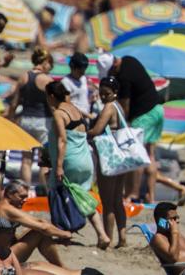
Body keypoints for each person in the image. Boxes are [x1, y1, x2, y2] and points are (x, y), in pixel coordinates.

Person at [45, 81, 111, 249]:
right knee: (82, 196)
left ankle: (64, 235)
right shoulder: (75, 109)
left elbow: (62, 139)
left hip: (70, 161)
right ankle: (102, 235)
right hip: (85, 160)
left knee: (57, 193)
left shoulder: (59, 113)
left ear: (52, 96)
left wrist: (58, 166)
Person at [97, 53, 167, 204]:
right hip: (157, 109)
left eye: (110, 72)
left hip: (144, 115)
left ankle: (132, 194)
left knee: (135, 154)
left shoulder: (123, 76)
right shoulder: (130, 59)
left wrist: (123, 122)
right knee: (149, 155)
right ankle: (151, 196)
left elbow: (125, 106)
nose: (110, 76)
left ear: (115, 65)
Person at [0, 180, 71, 267]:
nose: (25, 200)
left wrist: (59, 231)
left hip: (0, 251)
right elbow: (43, 228)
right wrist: (65, 234)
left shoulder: (4, 206)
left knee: (36, 230)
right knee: (39, 233)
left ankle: (60, 266)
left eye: (26, 197)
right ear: (10, 195)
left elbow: (40, 222)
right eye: (22, 197)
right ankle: (61, 267)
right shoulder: (6, 209)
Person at [87, 76, 127, 248]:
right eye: (101, 93)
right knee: (118, 200)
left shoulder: (109, 108)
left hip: (110, 159)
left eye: (107, 93)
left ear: (115, 93)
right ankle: (123, 238)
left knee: (107, 202)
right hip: (122, 158)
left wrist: (82, 131)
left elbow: (96, 131)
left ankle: (108, 239)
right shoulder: (119, 108)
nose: (103, 96)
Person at [7, 48, 54, 185]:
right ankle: (46, 194)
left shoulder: (23, 77)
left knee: (26, 160)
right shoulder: (47, 80)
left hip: (25, 120)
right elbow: (53, 105)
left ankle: (25, 192)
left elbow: (14, 103)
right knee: (44, 160)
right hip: (43, 122)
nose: (50, 68)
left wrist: (10, 120)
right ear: (45, 62)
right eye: (50, 64)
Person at [60, 52, 91, 118]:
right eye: (80, 71)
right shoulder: (65, 82)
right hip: (75, 118)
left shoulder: (83, 79)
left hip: (86, 116)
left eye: (84, 71)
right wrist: (88, 116)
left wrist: (91, 100)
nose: (83, 73)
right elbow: (67, 104)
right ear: (72, 68)